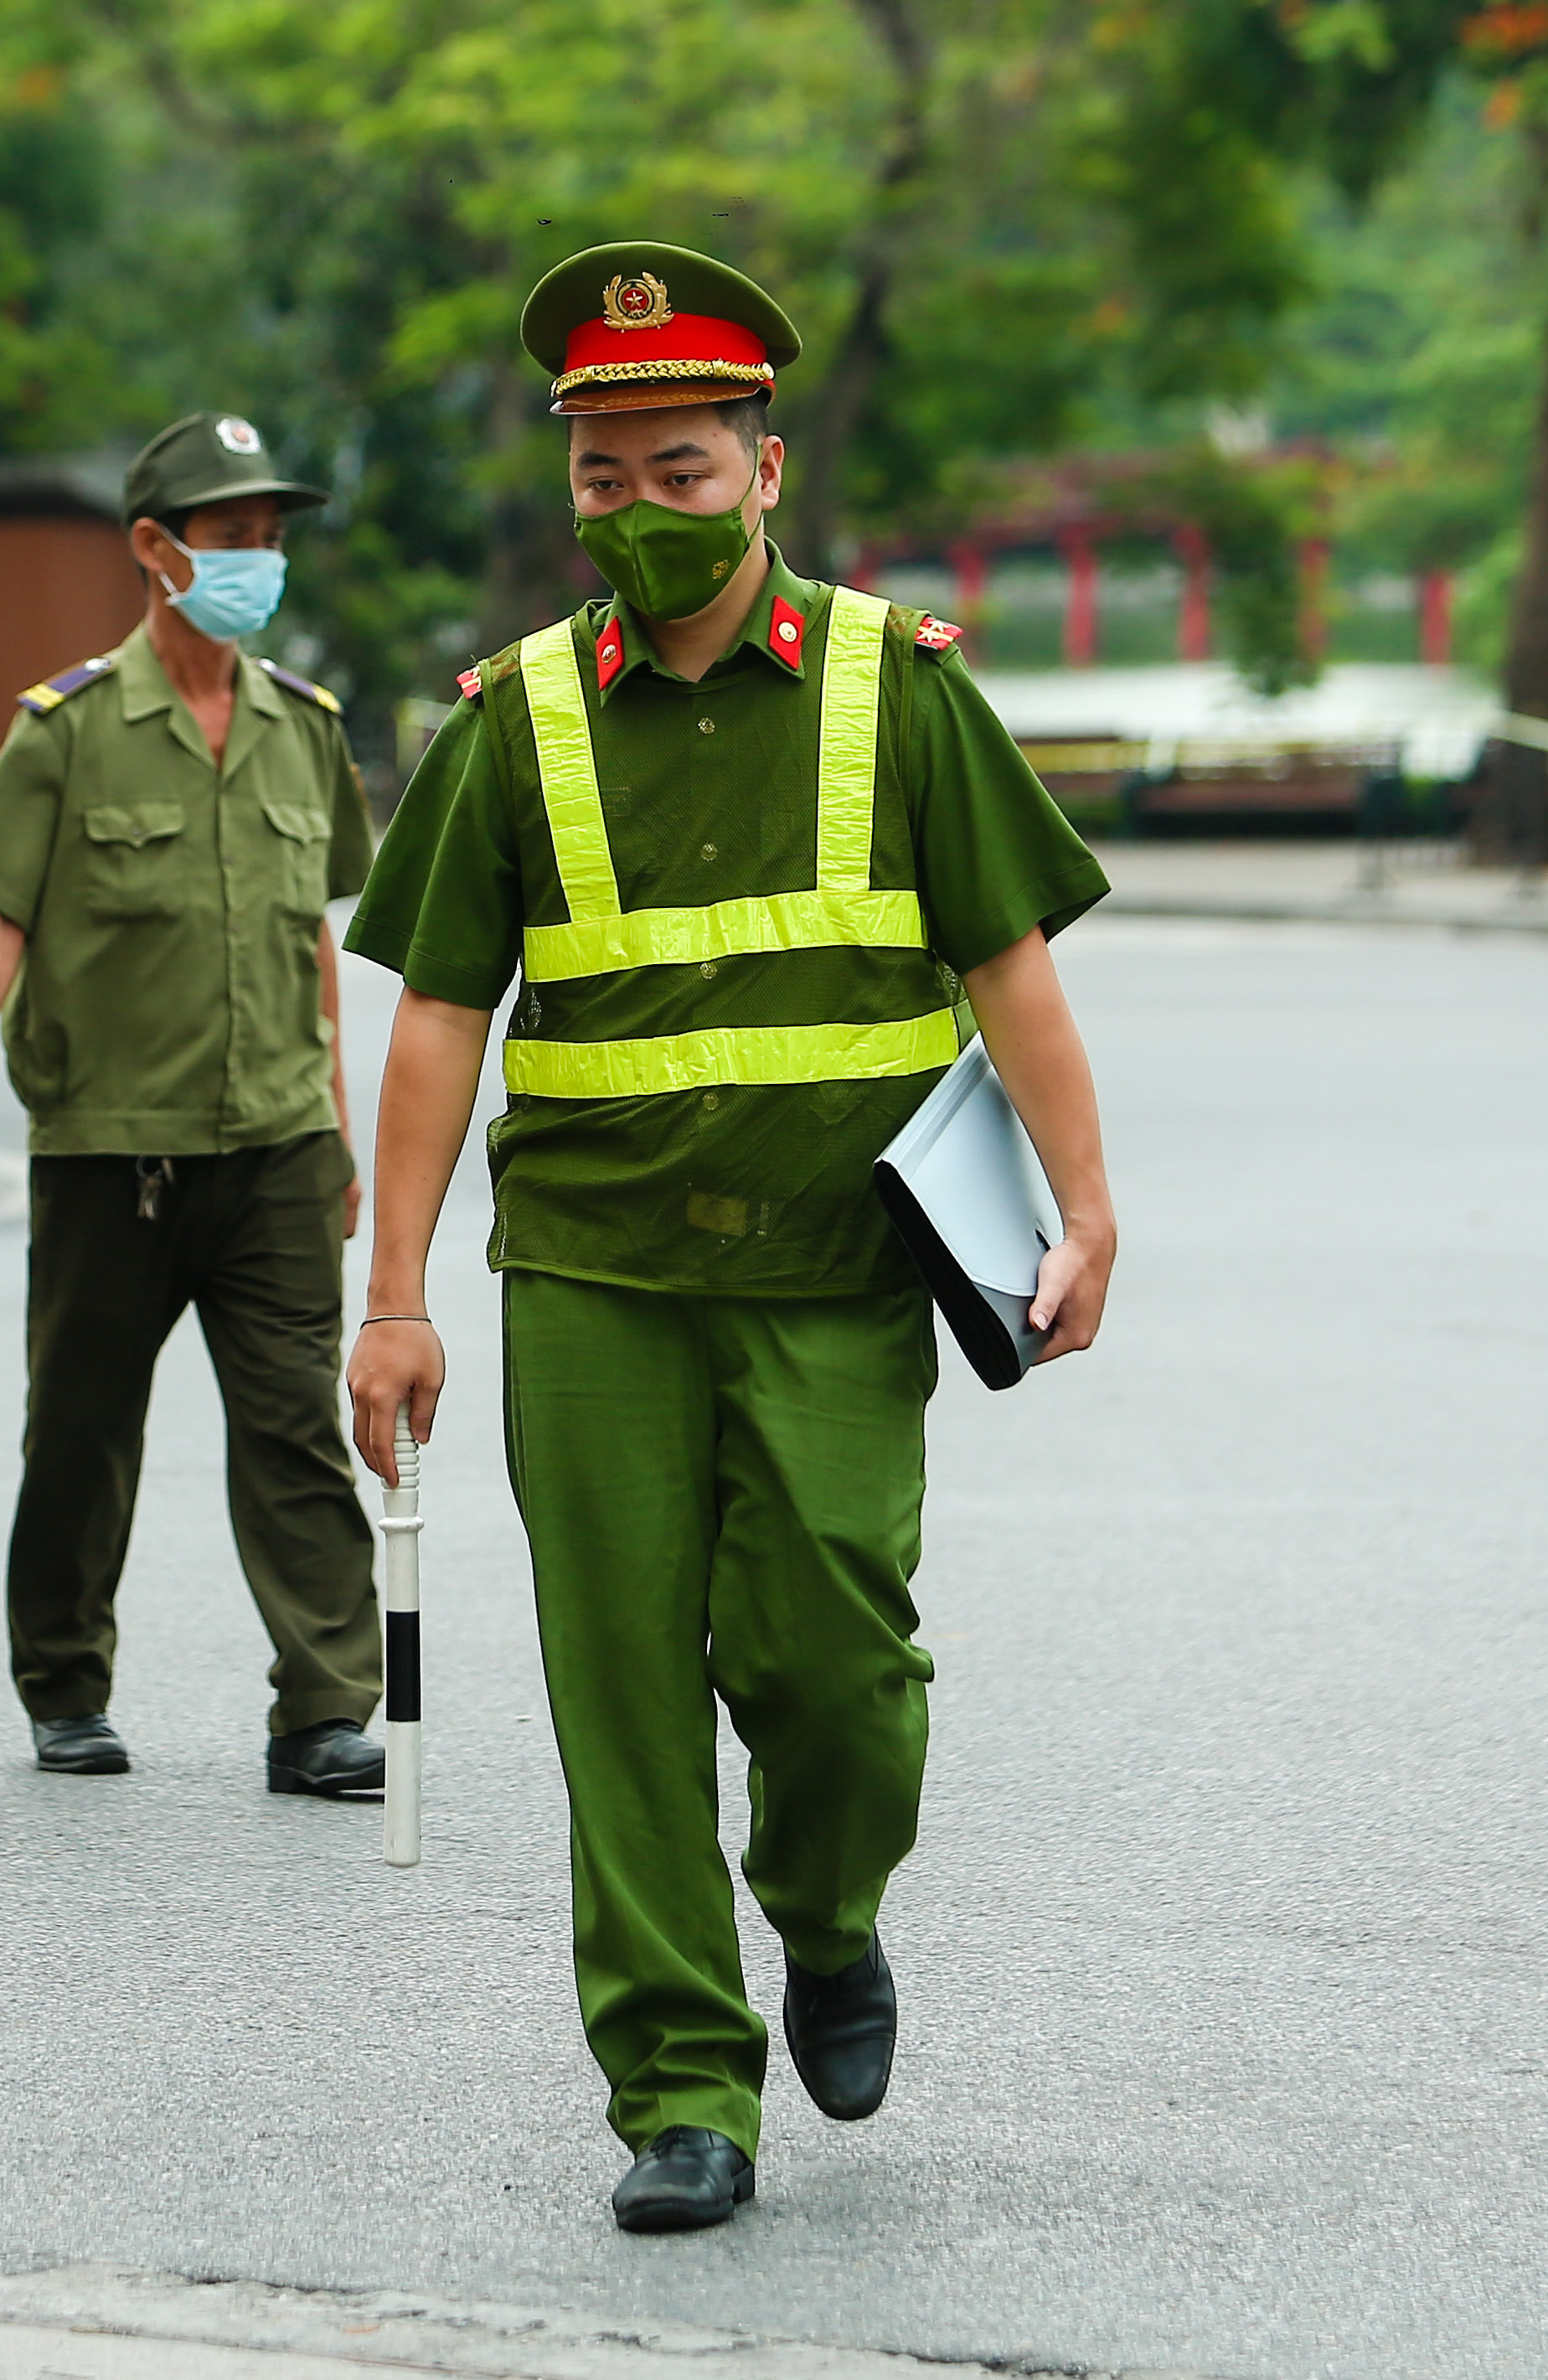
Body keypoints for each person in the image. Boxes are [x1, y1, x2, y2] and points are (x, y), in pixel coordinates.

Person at [342, 242, 1117, 2233]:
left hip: (833, 1277)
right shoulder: (508, 720)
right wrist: (395, 1294)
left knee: (838, 1664)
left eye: (677, 472)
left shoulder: (897, 691)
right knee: (617, 1689)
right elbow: (438, 1016)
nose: (640, 514)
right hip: (594, 1278)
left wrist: (1085, 1203)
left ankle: (829, 1909)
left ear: (761, 471)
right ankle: (682, 2085)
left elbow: (1005, 963)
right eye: (601, 480)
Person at [0, 412, 386, 1796]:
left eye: (268, 537)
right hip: (109, 1153)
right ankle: (64, 1682)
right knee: (80, 1430)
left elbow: (314, 947)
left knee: (295, 1429)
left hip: (279, 1149)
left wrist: (341, 1127)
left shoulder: (308, 731)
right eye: (231, 536)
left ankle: (324, 1708)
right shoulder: (63, 731)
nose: (257, 559)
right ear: (153, 548)